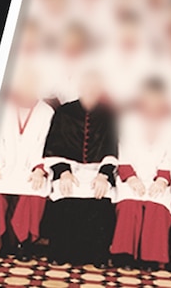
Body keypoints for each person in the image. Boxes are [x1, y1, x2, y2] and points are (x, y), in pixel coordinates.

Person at [0, 62, 55, 260]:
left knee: (35, 190)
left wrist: (39, 169)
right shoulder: (1, 107)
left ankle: (23, 243)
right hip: (3, 166)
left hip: (31, 168)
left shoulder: (47, 112)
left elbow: (46, 144)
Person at [41, 71, 118, 266]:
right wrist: (63, 171)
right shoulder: (65, 112)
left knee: (101, 193)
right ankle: (61, 253)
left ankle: (97, 255)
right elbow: (54, 145)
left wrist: (104, 175)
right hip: (69, 168)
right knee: (64, 189)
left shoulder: (109, 114)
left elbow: (113, 147)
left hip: (98, 170)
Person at [109, 79, 171, 271]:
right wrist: (131, 178)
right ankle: (124, 255)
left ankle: (151, 258)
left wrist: (162, 180)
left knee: (157, 205)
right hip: (132, 177)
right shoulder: (128, 120)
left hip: (159, 180)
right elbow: (122, 150)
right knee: (130, 203)